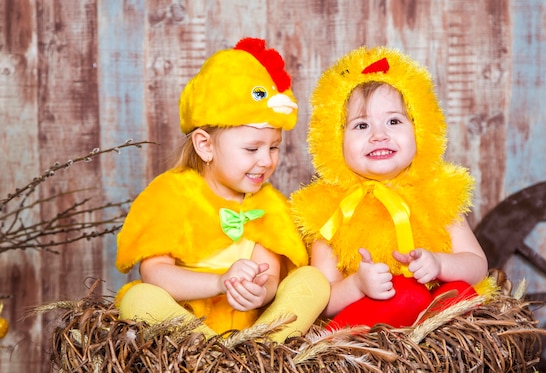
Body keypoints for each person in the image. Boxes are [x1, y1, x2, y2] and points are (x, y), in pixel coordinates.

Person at [115, 38, 330, 342]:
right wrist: (220, 282)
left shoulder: (268, 205)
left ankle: (260, 350)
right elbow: (154, 273)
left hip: (251, 331)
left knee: (314, 280)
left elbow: (269, 277)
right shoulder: (171, 194)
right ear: (205, 145)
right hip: (187, 331)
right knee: (139, 299)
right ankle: (214, 356)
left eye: (274, 147)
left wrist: (259, 292)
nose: (266, 160)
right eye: (252, 148)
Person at [290, 46, 496, 330]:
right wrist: (358, 285)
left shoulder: (437, 193)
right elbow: (321, 301)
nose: (379, 135)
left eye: (394, 121)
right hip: (366, 334)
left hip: (433, 334)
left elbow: (477, 266)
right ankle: (330, 346)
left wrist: (438, 264)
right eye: (361, 126)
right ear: (334, 140)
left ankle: (429, 352)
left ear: (420, 128)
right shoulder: (329, 211)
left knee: (461, 293)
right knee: (406, 294)